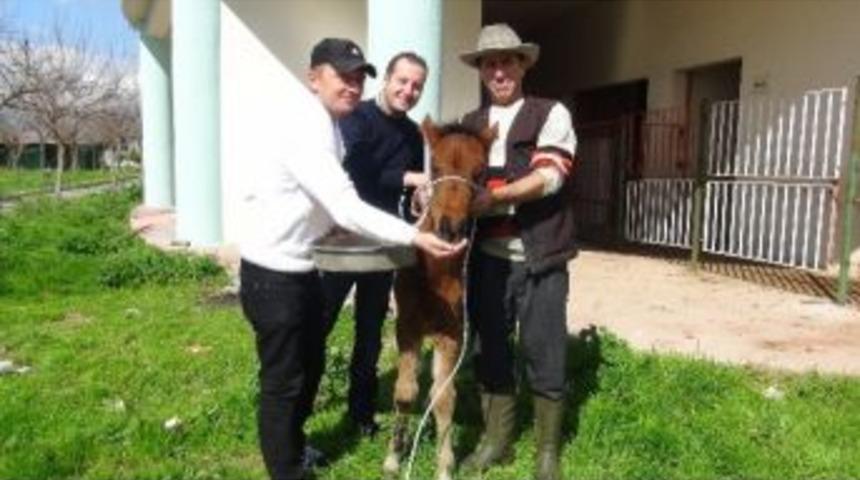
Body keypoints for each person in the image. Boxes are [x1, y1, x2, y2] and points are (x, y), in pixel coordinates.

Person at [238, 38, 464, 480]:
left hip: (310, 259)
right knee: (284, 380)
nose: (353, 85)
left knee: (312, 361)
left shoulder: (330, 122)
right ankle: (286, 470)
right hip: (277, 272)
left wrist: (333, 224)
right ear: (314, 77)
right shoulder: (311, 126)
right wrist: (414, 236)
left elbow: (321, 198)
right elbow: (345, 198)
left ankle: (297, 445)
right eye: (343, 76)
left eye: (359, 77)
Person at [457, 24, 578, 480]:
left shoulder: (550, 113)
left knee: (545, 349)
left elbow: (552, 174)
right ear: (482, 71)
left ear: (523, 65)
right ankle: (496, 442)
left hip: (540, 253)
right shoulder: (469, 124)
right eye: (490, 63)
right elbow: (453, 182)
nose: (499, 70)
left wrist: (498, 197)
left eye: (508, 60)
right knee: (490, 349)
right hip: (486, 258)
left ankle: (547, 452)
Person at [319, 51, 429, 437]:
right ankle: (297, 402)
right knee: (319, 323)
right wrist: (411, 179)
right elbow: (359, 172)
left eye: (417, 85)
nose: (409, 90)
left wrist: (418, 200)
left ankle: (361, 414)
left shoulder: (414, 134)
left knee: (369, 331)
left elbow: (406, 191)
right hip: (341, 240)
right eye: (403, 81)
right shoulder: (357, 116)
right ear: (387, 79)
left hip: (382, 244)